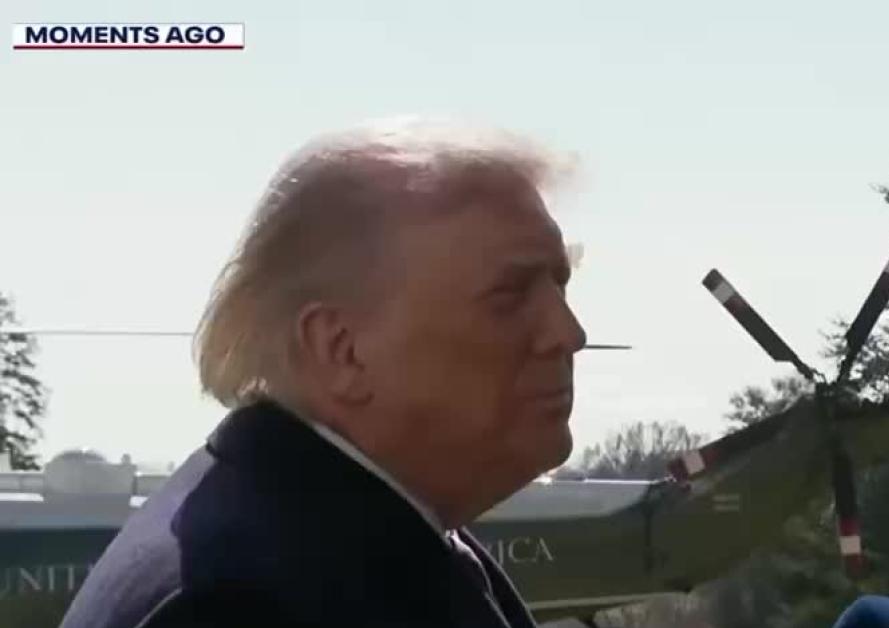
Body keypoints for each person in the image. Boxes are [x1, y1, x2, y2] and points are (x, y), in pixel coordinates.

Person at [59, 116, 588, 628]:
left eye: (559, 285)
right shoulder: (238, 601)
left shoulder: (362, 538)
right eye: (508, 296)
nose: (568, 333)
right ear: (340, 348)